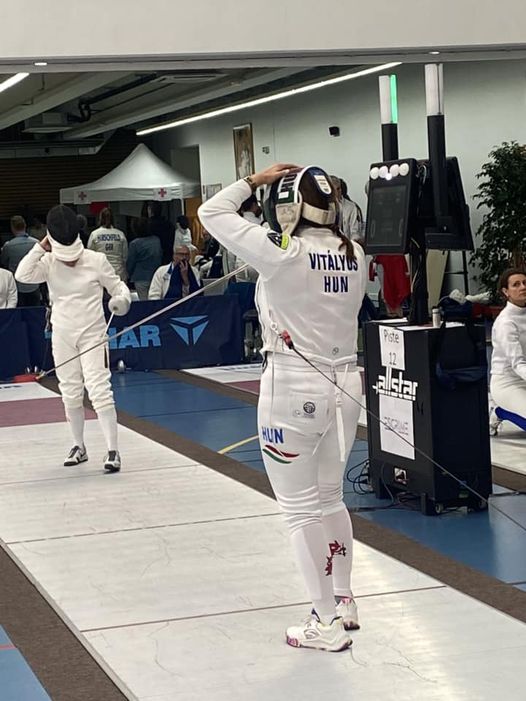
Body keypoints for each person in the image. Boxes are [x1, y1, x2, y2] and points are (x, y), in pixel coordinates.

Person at [199, 163, 366, 653]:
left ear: (288, 208)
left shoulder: (283, 250)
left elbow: (212, 213)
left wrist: (253, 181)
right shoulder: (354, 251)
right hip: (346, 386)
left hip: (294, 388)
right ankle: (344, 601)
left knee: (300, 511)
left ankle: (324, 621)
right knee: (331, 497)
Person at [15, 205, 131, 473]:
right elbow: (22, 275)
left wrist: (122, 300)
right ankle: (79, 446)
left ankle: (113, 451)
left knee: (99, 390)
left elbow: (118, 287)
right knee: (70, 391)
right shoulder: (48, 262)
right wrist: (40, 247)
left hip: (92, 335)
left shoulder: (96, 260)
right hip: (63, 335)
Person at [490, 268, 526, 422]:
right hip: (508, 384)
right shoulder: (505, 322)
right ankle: (499, 412)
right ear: (506, 292)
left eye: (524, 283)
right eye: (516, 285)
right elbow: (517, 363)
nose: (523, 287)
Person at [1, 215, 41, 306]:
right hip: (34, 285)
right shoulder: (36, 243)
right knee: (35, 312)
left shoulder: (8, 246)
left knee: (19, 312)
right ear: (25, 226)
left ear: (12, 228)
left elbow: (3, 263)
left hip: (17, 287)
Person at [87, 207, 128, 281]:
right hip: (118, 273)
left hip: (100, 272)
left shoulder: (94, 234)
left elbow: (90, 254)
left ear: (100, 218)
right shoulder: (120, 234)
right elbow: (125, 256)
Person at [127, 218, 163, 300]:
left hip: (140, 277)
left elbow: (130, 262)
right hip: (156, 275)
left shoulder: (134, 244)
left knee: (144, 301)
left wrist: (129, 275)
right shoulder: (156, 240)